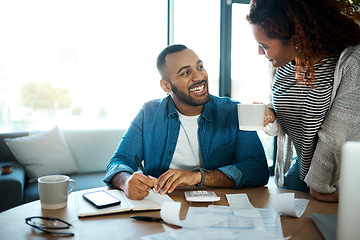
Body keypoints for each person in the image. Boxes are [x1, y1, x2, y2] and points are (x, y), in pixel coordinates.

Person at [103, 44, 270, 200]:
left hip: (221, 206)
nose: (199, 77)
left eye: (200, 67)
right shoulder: (149, 113)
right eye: (185, 73)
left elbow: (258, 170)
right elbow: (119, 161)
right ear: (166, 86)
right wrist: (125, 181)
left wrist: (197, 177)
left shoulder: (233, 111)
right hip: (163, 206)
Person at [246, 0, 360, 202]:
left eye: (264, 46)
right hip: (304, 174)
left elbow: (337, 135)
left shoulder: (351, 63)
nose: (259, 53)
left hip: (339, 181)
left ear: (295, 40)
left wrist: (320, 187)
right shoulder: (282, 64)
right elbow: (287, 111)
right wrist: (271, 114)